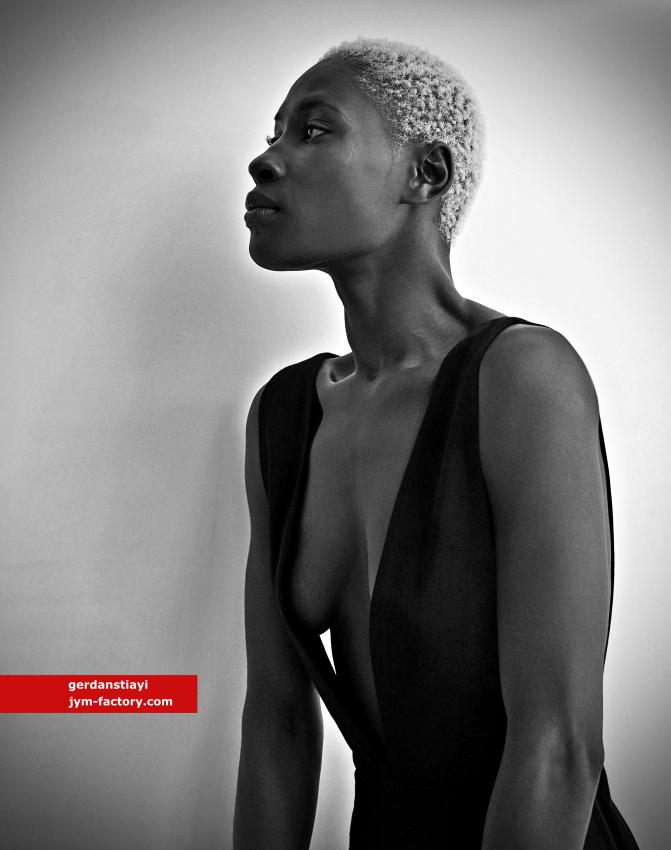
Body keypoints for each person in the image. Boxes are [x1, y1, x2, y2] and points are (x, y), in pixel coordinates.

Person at [233, 37, 640, 850]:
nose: (264, 160)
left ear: (426, 173)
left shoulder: (522, 377)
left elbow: (558, 748)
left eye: (312, 130)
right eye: (273, 134)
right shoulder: (282, 415)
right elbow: (278, 721)